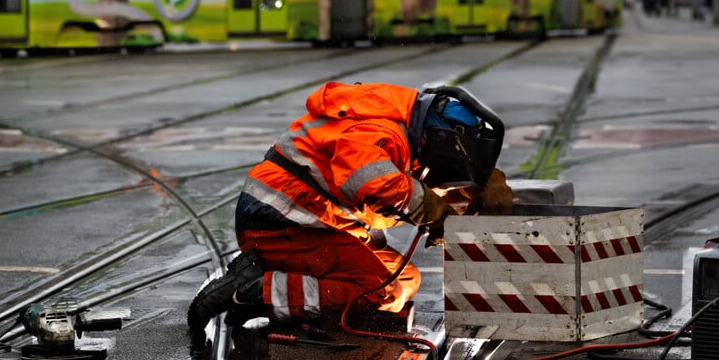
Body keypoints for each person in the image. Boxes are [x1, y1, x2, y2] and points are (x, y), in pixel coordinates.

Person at [187, 82, 512, 328]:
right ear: (439, 141)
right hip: (281, 220)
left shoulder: (398, 125)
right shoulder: (383, 130)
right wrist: (429, 210)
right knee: (376, 290)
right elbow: (371, 181)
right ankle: (254, 292)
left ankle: (272, 284)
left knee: (404, 281)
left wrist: (466, 191)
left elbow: (387, 195)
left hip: (311, 220)